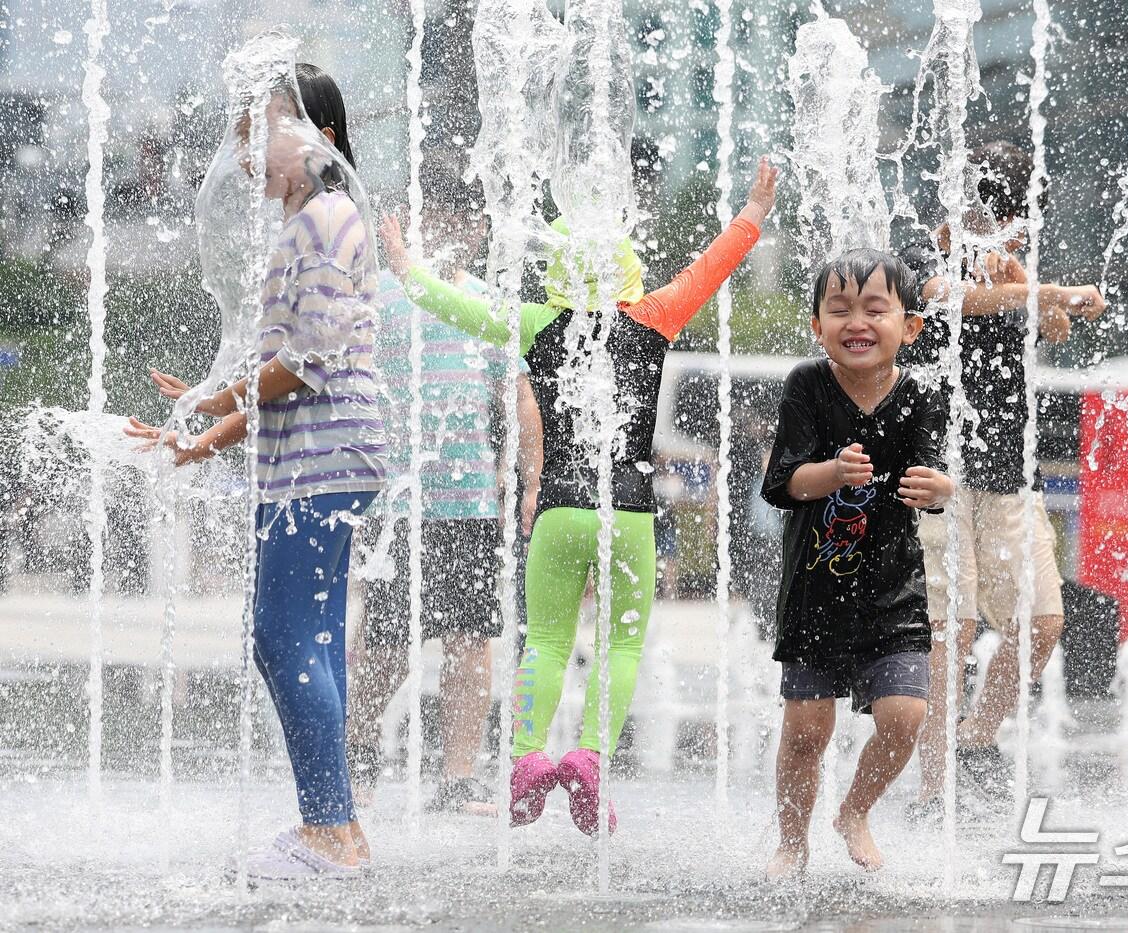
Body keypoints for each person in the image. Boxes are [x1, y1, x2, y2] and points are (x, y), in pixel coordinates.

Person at [379, 158, 779, 836]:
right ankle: (589, 758)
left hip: (558, 510)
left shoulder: (537, 322)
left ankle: (529, 758)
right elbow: (711, 268)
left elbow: (459, 307)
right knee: (622, 646)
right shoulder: (655, 316)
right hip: (628, 513)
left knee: (547, 640)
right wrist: (752, 214)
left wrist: (405, 265)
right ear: (624, 265)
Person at [126, 63, 383, 877]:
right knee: (314, 639)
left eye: (259, 130)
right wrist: (202, 435)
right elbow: (285, 371)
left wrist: (218, 397)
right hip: (319, 453)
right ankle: (340, 828)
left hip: (324, 455)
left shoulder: (327, 219)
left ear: (320, 139)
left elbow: (305, 363)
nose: (245, 152)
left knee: (279, 632)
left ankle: (328, 831)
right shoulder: (311, 224)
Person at [899, 141, 1106, 815]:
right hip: (937, 470)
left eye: (1021, 221)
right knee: (949, 630)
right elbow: (945, 299)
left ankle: (975, 737)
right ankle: (934, 785)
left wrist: (1049, 293)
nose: (1015, 231)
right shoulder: (921, 252)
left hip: (1009, 470)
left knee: (1043, 619)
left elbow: (1052, 330)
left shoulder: (1013, 265)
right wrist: (1041, 288)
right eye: (1009, 218)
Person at [344, 174, 544, 815]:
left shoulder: (489, 306)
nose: (458, 228)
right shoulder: (379, 298)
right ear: (416, 221)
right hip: (401, 501)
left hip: (471, 506)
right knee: (383, 645)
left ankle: (457, 778)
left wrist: (529, 479)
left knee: (470, 642)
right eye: (444, 216)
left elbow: (516, 398)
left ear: (481, 230)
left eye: (469, 218)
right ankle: (354, 753)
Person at [761, 249, 953, 878]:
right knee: (808, 730)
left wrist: (940, 490)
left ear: (911, 327)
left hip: (894, 588)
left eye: (875, 308)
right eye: (838, 309)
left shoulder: (922, 394)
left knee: (906, 716)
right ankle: (792, 840)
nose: (856, 321)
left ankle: (855, 810)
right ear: (817, 326)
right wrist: (831, 473)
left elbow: (935, 477)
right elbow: (783, 482)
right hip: (816, 590)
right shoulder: (807, 386)